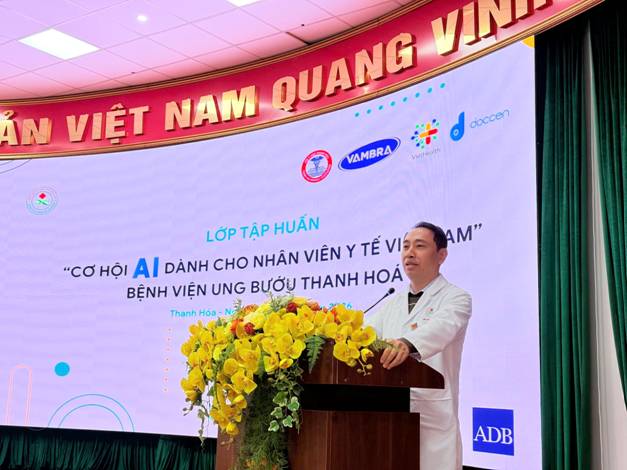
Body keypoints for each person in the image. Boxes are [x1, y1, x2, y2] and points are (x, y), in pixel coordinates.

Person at [365, 221, 472, 470]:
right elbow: (365, 336)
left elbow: (442, 328)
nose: (409, 253)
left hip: (432, 414)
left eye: (420, 246)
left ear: (441, 255)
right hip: (390, 415)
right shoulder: (392, 303)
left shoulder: (456, 298)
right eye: (405, 246)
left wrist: (407, 343)